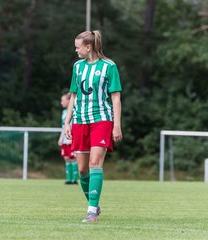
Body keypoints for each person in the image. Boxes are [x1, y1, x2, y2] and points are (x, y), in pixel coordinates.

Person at [64, 30, 122, 223]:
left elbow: (116, 98)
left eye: (77, 47)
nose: (75, 50)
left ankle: (90, 211)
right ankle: (94, 204)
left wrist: (116, 125)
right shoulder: (77, 67)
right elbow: (73, 95)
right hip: (80, 121)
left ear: (88, 47)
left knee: (95, 163)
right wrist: (67, 122)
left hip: (102, 120)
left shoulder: (109, 66)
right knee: (82, 170)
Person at [58, 92, 78, 185]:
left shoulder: (74, 111)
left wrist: (72, 138)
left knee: (73, 158)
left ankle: (74, 180)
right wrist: (61, 138)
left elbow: (74, 126)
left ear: (69, 101)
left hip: (71, 138)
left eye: (63, 100)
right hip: (65, 139)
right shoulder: (64, 112)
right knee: (66, 158)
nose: (61, 102)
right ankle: (68, 179)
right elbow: (64, 126)